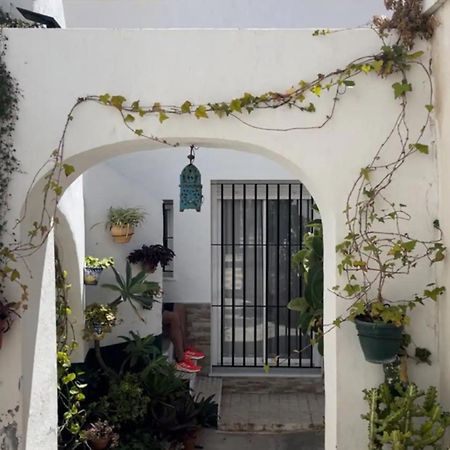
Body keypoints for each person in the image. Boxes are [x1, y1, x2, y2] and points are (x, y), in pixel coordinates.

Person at [162, 302, 205, 373]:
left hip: (159, 306)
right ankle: (180, 359)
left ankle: (185, 348)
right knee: (173, 317)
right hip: (151, 311)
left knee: (179, 306)